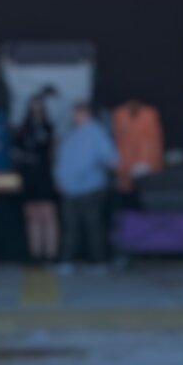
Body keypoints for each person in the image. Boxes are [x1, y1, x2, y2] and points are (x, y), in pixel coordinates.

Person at [54, 103, 118, 268]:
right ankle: (66, 261)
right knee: (70, 227)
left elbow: (111, 159)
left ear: (86, 113)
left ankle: (99, 261)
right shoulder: (71, 133)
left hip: (91, 188)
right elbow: (62, 159)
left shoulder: (97, 133)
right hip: (70, 189)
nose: (74, 117)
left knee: (93, 226)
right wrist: (60, 179)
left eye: (77, 113)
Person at [14, 93, 58, 262]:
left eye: (39, 108)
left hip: (44, 175)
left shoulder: (48, 128)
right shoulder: (24, 130)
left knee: (47, 215)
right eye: (33, 108)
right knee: (32, 216)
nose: (36, 111)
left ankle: (50, 253)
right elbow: (17, 151)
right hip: (29, 177)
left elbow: (52, 153)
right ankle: (35, 253)